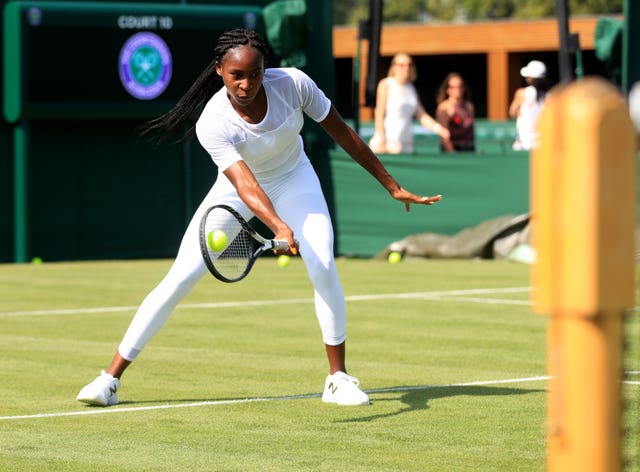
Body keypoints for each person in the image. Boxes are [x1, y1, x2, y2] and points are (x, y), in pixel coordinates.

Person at [76, 29, 442, 407]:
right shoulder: (212, 122)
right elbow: (245, 184)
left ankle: (337, 378)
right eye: (237, 75)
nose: (247, 84)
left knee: (323, 263)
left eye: (255, 74)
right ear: (219, 70)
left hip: (295, 177)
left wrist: (391, 185)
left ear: (266, 68)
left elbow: (343, 133)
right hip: (236, 191)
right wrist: (280, 226)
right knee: (179, 278)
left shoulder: (294, 84)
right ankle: (110, 380)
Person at [369, 53, 450, 154]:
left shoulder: (411, 88)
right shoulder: (386, 84)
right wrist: (381, 138)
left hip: (406, 146)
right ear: (394, 67)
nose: (406, 68)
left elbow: (422, 116)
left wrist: (440, 129)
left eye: (409, 64)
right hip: (386, 144)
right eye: (402, 65)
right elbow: (379, 113)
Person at [509, 60, 550, 151]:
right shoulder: (551, 96)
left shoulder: (521, 93)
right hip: (544, 144)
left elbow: (512, 113)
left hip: (524, 144)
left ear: (530, 78)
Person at [435, 72, 476, 152]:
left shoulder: (469, 106)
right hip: (453, 151)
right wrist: (452, 153)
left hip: (469, 149)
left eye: (460, 86)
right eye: (453, 87)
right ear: (447, 90)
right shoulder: (444, 108)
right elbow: (444, 136)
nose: (457, 90)